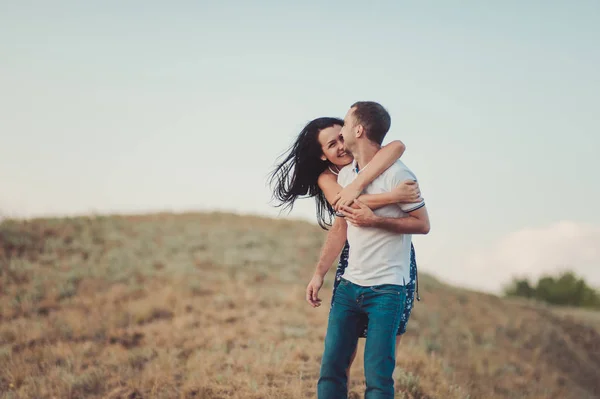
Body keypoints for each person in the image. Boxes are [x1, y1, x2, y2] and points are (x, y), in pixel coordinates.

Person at [268, 116, 422, 382]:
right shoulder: (327, 178)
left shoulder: (371, 159)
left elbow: (397, 145)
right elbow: (343, 211)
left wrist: (358, 184)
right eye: (332, 144)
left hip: (393, 260)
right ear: (322, 155)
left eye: (342, 137)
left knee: (386, 353)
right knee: (343, 353)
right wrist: (395, 196)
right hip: (354, 261)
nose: (341, 146)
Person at [316, 101, 430, 398]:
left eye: (345, 122)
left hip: (387, 289)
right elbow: (341, 223)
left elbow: (423, 224)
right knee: (331, 372)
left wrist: (376, 221)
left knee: (378, 379)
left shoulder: (399, 174)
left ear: (358, 129)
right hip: (349, 286)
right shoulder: (344, 177)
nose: (341, 130)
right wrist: (319, 274)